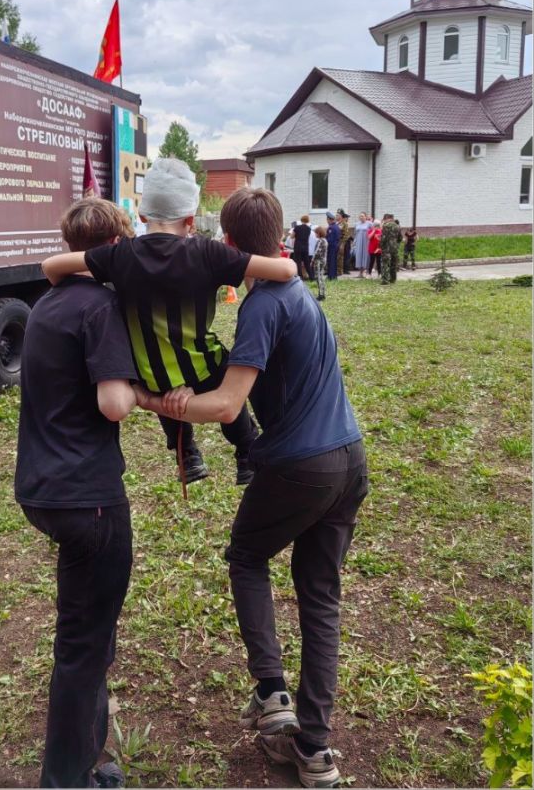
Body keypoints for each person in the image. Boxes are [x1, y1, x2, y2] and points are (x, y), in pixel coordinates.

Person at [139, 189, 368, 789]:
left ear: (230, 245)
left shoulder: (263, 304)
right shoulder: (299, 292)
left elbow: (227, 405)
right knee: (320, 598)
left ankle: (271, 693)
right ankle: (314, 751)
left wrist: (149, 399)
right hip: (350, 459)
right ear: (279, 236)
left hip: (300, 467)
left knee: (245, 557)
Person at [42, 160, 297, 487]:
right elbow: (285, 271)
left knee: (160, 381)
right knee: (224, 378)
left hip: (152, 374)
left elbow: (51, 266)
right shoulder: (207, 253)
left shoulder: (120, 256)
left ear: (142, 215)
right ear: (190, 220)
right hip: (203, 367)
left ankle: (187, 455)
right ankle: (247, 452)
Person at [15, 198, 144, 789]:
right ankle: (66, 780)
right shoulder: (101, 306)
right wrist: (153, 396)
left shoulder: (47, 303)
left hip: (41, 489)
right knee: (84, 649)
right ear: (114, 246)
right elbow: (114, 403)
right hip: (88, 499)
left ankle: (85, 763)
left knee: (86, 635)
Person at [380, 214, 403, 285]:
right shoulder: (397, 226)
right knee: (393, 263)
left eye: (384, 219)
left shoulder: (385, 226)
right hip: (394, 248)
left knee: (385, 263)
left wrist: (380, 245)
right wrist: (396, 243)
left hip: (386, 247)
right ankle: (393, 279)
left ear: (387, 218)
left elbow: (383, 238)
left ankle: (385, 280)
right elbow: (400, 238)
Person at [292, 215, 313, 281]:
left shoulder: (297, 227)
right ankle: (311, 277)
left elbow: (292, 236)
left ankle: (300, 277)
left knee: (298, 262)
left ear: (301, 220)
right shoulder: (309, 229)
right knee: (306, 262)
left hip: (298, 247)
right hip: (305, 247)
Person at [353, 212, 371, 278]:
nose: (361, 217)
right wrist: (354, 242)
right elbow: (355, 233)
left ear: (366, 217)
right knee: (359, 255)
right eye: (360, 216)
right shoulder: (357, 224)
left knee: (365, 256)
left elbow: (373, 231)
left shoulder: (369, 224)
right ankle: (360, 273)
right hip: (359, 242)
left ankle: (366, 272)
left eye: (363, 216)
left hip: (366, 241)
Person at [312, 226, 328, 302]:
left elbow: (317, 252)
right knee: (321, 277)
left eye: (316, 233)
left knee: (318, 277)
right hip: (323, 260)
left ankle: (321, 295)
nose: (315, 234)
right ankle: (322, 293)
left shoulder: (320, 241)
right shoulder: (325, 240)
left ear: (319, 233)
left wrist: (312, 260)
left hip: (318, 261)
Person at [325, 212, 340, 281]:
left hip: (331, 247)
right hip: (335, 246)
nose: (327, 221)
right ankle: (334, 276)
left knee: (331, 262)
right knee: (334, 261)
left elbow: (329, 239)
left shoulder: (331, 228)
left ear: (329, 219)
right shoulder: (336, 226)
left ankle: (330, 276)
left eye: (327, 219)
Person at [335, 210, 349, 278]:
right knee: (336, 256)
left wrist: (342, 244)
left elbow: (346, 235)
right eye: (336, 215)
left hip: (341, 242)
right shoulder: (336, 223)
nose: (336, 216)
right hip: (335, 241)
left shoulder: (344, 223)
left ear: (341, 216)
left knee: (340, 257)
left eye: (337, 215)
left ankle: (340, 271)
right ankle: (336, 270)